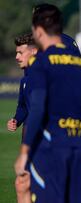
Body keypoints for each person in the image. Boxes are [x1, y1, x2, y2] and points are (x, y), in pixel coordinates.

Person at [13, 3, 81, 203]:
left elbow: (37, 108)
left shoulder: (40, 63)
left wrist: (24, 151)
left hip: (51, 148)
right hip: (79, 147)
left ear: (38, 31)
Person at [7, 33, 38, 203]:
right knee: (23, 183)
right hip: (29, 140)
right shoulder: (25, 79)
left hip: (44, 141)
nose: (16, 57)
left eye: (20, 52)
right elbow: (23, 107)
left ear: (33, 51)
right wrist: (16, 120)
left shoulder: (46, 77)